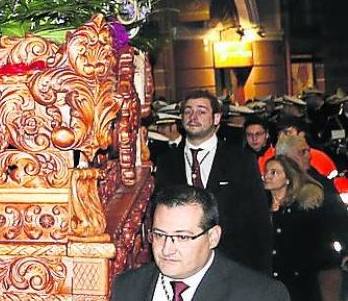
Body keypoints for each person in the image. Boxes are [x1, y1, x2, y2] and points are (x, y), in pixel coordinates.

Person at [153, 89, 272, 271]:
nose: (193, 116)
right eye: (188, 111)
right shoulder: (167, 162)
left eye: (201, 111)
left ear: (216, 119)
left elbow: (259, 220)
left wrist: (262, 271)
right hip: (182, 264)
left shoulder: (241, 160)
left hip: (233, 263)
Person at [110, 184, 288, 301]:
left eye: (182, 237)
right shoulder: (127, 287)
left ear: (213, 237)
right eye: (159, 235)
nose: (167, 249)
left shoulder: (260, 295)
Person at [262, 155, 338, 301]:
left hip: (297, 280)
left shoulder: (301, 210)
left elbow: (315, 243)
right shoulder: (260, 207)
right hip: (268, 278)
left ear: (288, 179)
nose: (267, 176)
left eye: (274, 172)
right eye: (266, 171)